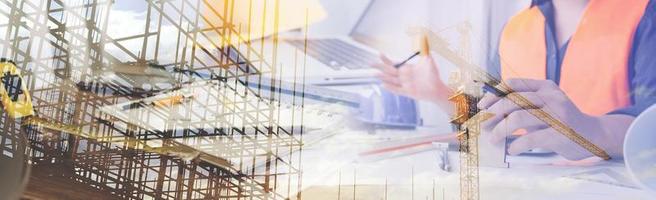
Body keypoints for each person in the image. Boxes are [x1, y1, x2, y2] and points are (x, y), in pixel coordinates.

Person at [373, 0, 656, 161]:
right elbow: (489, 116)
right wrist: (439, 93)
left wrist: (594, 132)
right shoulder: (515, 28)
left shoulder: (646, 13)